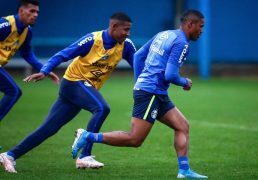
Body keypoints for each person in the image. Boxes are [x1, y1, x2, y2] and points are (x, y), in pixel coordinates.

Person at [71, 9, 208, 179]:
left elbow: (138, 56)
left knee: (182, 126)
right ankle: (87, 136)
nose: (202, 30)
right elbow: (170, 75)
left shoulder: (164, 34)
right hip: (151, 92)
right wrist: (184, 82)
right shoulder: (182, 43)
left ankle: (184, 171)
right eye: (201, 26)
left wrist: (140, 80)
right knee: (135, 139)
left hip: (155, 91)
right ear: (190, 24)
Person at [0, 12, 136, 173]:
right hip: (73, 83)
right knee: (101, 108)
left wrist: (145, 84)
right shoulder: (92, 40)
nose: (127, 33)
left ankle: (9, 155)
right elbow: (63, 54)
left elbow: (139, 66)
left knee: (49, 128)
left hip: (82, 89)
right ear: (113, 26)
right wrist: (44, 71)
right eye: (125, 29)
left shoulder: (126, 45)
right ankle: (85, 156)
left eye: (129, 30)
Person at [0, 0, 59, 152]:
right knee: (13, 92)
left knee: (13, 92)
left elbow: (28, 55)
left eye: (37, 12)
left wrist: (46, 70)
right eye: (32, 11)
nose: (35, 15)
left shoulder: (27, 31)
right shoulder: (6, 25)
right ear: (21, 11)